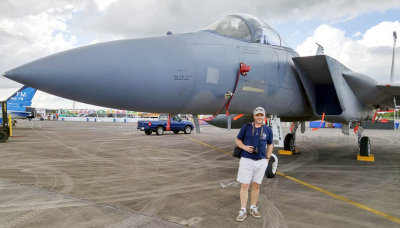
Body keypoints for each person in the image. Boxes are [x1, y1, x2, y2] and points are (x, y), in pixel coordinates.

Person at [235, 106, 273, 222]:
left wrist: (267, 159)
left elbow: (270, 144)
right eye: (257, 115)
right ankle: (242, 210)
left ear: (264, 116)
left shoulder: (267, 129)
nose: (259, 117)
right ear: (254, 116)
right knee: (244, 186)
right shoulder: (246, 127)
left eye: (261, 115)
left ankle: (253, 207)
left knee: (256, 186)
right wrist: (245, 147)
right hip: (246, 160)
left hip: (261, 161)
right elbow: (237, 140)